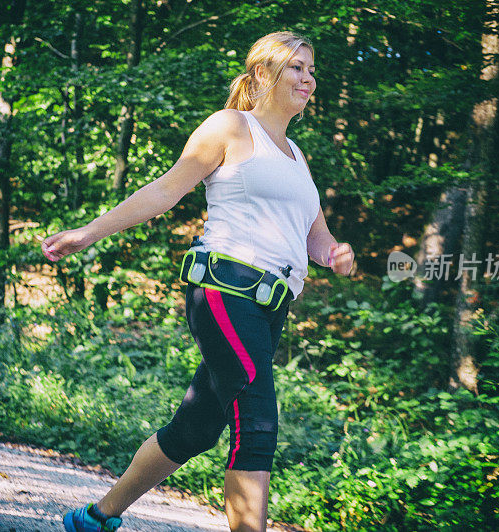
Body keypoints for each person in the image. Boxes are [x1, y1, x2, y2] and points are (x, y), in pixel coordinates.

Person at [43, 31, 355, 532]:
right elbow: (167, 189)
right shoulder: (232, 127)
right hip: (225, 289)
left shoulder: (297, 156)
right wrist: (90, 231)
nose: (308, 77)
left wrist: (337, 253)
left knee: (195, 428)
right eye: (296, 66)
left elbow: (317, 237)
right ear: (261, 73)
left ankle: (95, 518)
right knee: (255, 424)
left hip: (270, 305)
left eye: (312, 69)